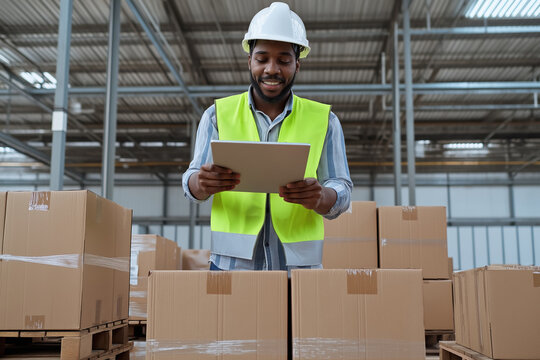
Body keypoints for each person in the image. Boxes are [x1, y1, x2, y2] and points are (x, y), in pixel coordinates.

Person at [182, 2, 352, 271]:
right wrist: (200, 183)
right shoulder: (217, 116)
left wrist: (322, 196)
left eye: (284, 60)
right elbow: (191, 184)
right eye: (262, 59)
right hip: (231, 265)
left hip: (299, 270)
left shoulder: (325, 121)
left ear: (298, 65)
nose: (272, 69)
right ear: (249, 60)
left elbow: (342, 188)